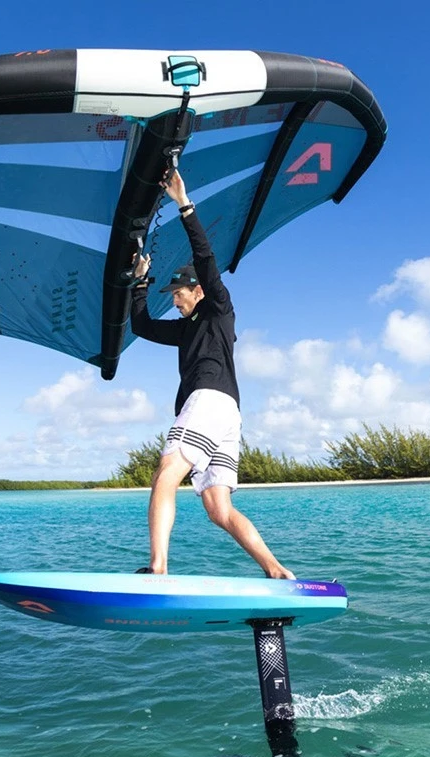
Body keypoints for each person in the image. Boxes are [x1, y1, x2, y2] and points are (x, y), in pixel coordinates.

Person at [129, 170, 295, 580]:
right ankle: (277, 571)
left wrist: (184, 204)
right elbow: (142, 326)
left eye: (179, 294)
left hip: (208, 400)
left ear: (198, 290)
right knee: (219, 509)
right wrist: (140, 282)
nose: (175, 301)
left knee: (166, 473)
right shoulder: (186, 329)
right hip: (228, 416)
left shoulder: (218, 309)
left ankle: (158, 568)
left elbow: (205, 260)